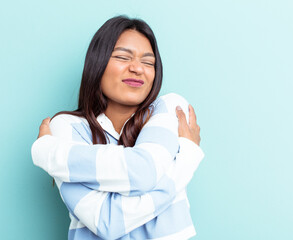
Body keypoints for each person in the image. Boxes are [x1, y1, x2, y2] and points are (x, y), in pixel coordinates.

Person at [32, 16, 204, 240]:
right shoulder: (66, 127)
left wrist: (47, 152)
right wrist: (186, 160)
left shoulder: (171, 108)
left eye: (148, 62)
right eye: (123, 57)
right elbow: (108, 221)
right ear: (98, 63)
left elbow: (144, 172)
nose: (137, 69)